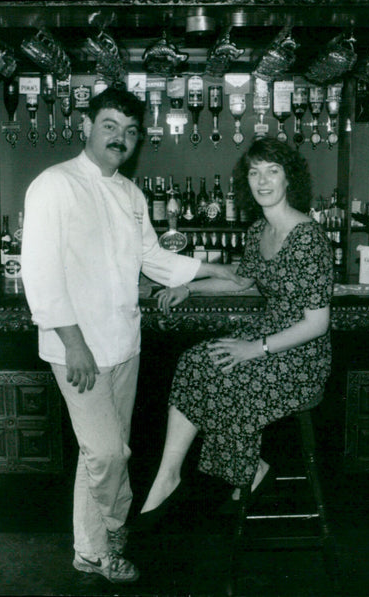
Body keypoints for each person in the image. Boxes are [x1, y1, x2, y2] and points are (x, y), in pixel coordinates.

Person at [20, 87, 247, 584]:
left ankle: (86, 550)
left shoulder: (130, 193)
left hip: (124, 342)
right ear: (86, 125)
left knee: (96, 454)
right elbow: (39, 275)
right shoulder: (53, 186)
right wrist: (74, 343)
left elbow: (155, 260)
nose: (119, 139)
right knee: (107, 455)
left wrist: (216, 270)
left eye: (129, 131)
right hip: (76, 347)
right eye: (109, 126)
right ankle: (113, 544)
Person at [138, 137, 333, 522]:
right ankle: (168, 475)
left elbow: (317, 323)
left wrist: (254, 349)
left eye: (272, 171)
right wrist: (185, 287)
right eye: (254, 172)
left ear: (288, 179)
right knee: (197, 361)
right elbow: (242, 281)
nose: (263, 181)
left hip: (301, 357)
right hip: (270, 335)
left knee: (227, 374)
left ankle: (252, 469)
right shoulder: (259, 230)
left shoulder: (309, 238)